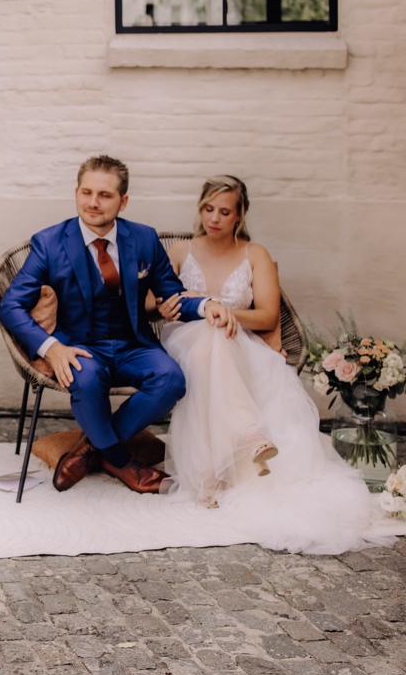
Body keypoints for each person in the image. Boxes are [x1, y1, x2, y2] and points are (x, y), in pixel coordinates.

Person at [153, 176, 386, 554]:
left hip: (235, 341)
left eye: (225, 211)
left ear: (240, 215)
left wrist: (224, 315)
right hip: (184, 341)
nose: (214, 218)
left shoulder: (254, 254)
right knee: (211, 337)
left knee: (219, 339)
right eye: (208, 209)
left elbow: (266, 316)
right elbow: (150, 303)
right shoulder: (180, 251)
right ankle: (249, 434)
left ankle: (213, 475)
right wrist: (168, 307)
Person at [0, 155, 239, 494]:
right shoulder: (49, 243)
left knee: (171, 379)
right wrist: (51, 348)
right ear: (76, 193)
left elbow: (172, 296)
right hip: (79, 346)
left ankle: (90, 451)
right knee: (87, 379)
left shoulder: (143, 239)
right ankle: (124, 464)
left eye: (105, 195)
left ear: (123, 201)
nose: (93, 203)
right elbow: (10, 307)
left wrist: (207, 304)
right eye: (86, 192)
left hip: (132, 344)